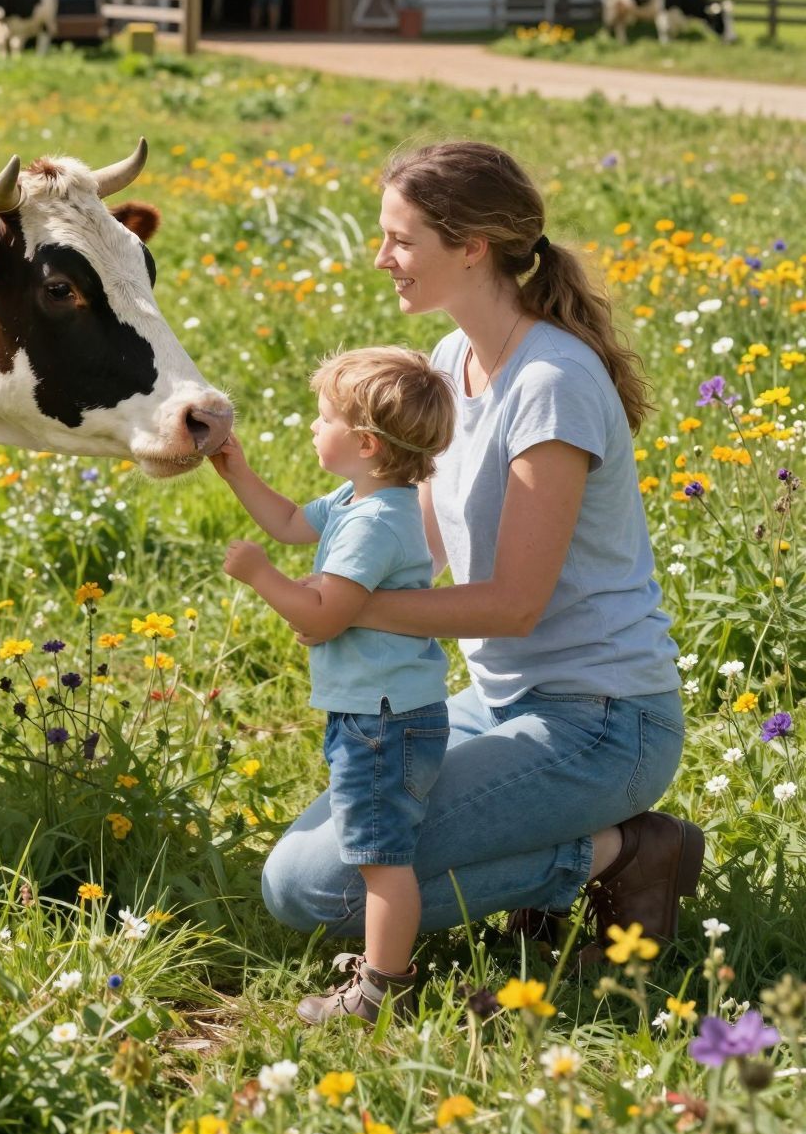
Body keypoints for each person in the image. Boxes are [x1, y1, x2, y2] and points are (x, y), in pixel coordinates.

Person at [260, 139, 700, 954]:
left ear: (472, 248)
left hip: (602, 722)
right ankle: (574, 850)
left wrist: (349, 615)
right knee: (293, 874)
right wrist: (326, 566)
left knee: (325, 893)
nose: (381, 257)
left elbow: (514, 604)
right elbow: (417, 540)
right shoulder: (452, 359)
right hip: (493, 700)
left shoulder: (551, 384)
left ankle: (627, 850)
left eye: (401, 239)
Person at [215, 346, 455, 1022]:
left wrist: (264, 577)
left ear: (366, 443)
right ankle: (384, 977)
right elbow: (293, 523)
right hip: (381, 712)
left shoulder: (376, 525)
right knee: (381, 851)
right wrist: (239, 474)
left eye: (322, 419)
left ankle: (381, 989)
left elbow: (324, 618)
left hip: (381, 723)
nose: (312, 428)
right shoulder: (361, 498)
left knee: (383, 860)